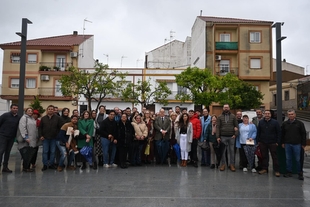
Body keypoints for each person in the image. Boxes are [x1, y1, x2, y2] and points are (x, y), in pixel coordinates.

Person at [281, 109, 307, 180]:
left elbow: (303, 134)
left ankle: (300, 173)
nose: (291, 115)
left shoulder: (300, 123)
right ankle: (289, 171)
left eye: (292, 114)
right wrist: (283, 142)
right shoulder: (285, 124)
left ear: (295, 115)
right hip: (287, 144)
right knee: (288, 159)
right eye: (289, 114)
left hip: (297, 144)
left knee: (298, 159)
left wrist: (303, 143)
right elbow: (282, 134)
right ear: (287, 115)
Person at [257, 110, 281, 177]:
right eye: (266, 113)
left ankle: (276, 170)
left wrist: (277, 142)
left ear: (270, 114)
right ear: (264, 114)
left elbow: (279, 132)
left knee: (274, 157)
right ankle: (265, 169)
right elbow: (258, 132)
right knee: (264, 156)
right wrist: (258, 141)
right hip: (263, 142)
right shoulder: (261, 122)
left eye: (268, 113)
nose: (267, 115)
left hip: (273, 142)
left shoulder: (275, 122)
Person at [39, 105, 63, 171]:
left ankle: (51, 164)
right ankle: (45, 164)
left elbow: (60, 127)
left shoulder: (58, 118)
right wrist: (41, 135)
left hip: (54, 138)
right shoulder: (43, 118)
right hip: (45, 138)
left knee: (53, 152)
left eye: (52, 109)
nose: (50, 110)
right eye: (49, 109)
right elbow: (40, 128)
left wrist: (58, 135)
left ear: (53, 110)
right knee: (45, 152)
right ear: (47, 110)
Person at [216, 104, 238, 172]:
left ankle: (232, 164)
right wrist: (218, 137)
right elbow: (218, 127)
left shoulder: (233, 116)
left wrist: (235, 135)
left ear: (229, 108)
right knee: (223, 151)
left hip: (231, 136)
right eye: (225, 107)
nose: (226, 108)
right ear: (223, 108)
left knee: (232, 151)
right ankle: (223, 164)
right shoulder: (219, 117)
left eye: (227, 107)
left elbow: (236, 126)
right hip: (223, 136)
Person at [16, 108, 38, 172]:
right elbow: (22, 128)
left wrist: (36, 136)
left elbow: (35, 129)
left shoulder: (32, 118)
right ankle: (26, 167)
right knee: (25, 153)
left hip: (32, 139)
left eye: (31, 111)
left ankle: (27, 166)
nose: (30, 112)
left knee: (29, 153)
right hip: (26, 140)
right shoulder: (24, 118)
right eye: (29, 111)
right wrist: (26, 137)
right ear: (26, 112)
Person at [0, 104, 20, 173]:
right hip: (3, 136)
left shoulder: (18, 117)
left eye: (16, 108)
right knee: (1, 151)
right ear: (10, 108)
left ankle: (5, 167)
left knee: (7, 152)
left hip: (11, 137)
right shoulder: (5, 115)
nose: (15, 109)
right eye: (14, 108)